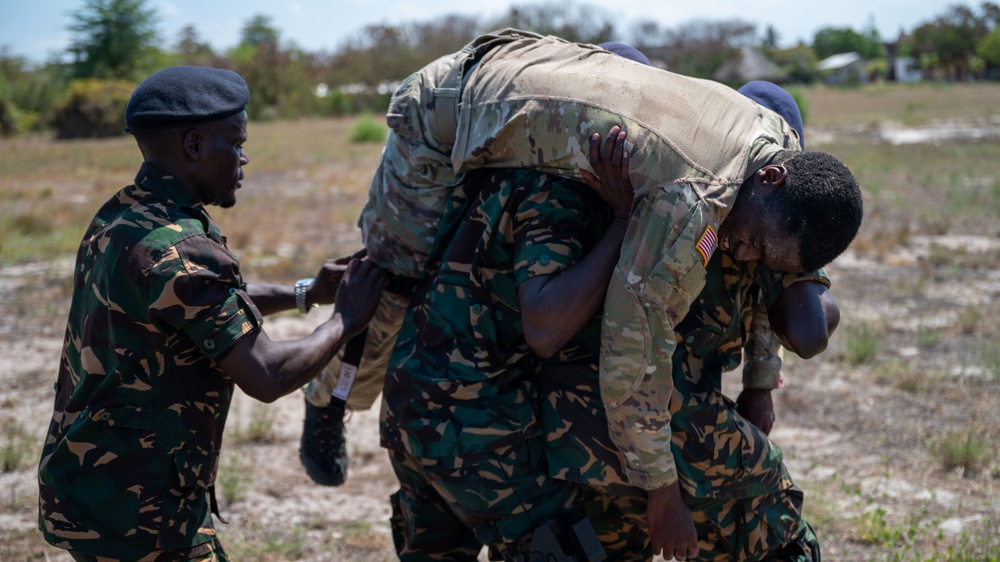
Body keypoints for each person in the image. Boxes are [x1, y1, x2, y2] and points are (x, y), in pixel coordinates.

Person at [357, 29, 862, 559]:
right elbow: (618, 348)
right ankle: (334, 395)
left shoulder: (758, 144)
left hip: (499, 70)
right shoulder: (663, 202)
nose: (746, 254)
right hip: (437, 110)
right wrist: (663, 495)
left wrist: (760, 383)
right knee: (389, 266)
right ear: (773, 177)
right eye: (755, 243)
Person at [36, 66, 386, 562]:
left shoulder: (123, 217)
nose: (244, 158)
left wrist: (306, 292)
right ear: (195, 145)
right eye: (236, 142)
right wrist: (345, 320)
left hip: (90, 489)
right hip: (145, 514)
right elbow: (266, 375)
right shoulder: (182, 248)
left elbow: (200, 301)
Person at [383, 127, 634, 561]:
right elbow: (545, 327)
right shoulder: (558, 190)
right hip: (476, 425)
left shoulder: (496, 169)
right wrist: (624, 220)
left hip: (412, 399)